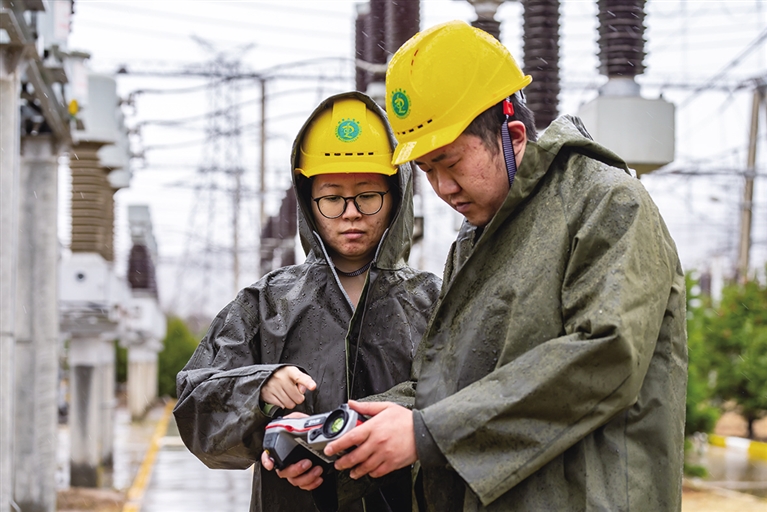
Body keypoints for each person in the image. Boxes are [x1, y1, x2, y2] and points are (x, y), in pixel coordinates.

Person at [299, 21, 687, 511]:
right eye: (427, 171)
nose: (442, 188)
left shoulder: (605, 203)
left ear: (514, 134)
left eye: (451, 162)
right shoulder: (474, 241)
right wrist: (340, 444)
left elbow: (605, 356)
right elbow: (448, 386)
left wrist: (426, 432)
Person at [173, 91, 442, 512]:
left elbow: (473, 401)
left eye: (368, 195)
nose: (351, 213)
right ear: (308, 202)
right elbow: (195, 406)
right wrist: (262, 397)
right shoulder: (267, 305)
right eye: (332, 198)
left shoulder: (435, 302)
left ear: (397, 196)